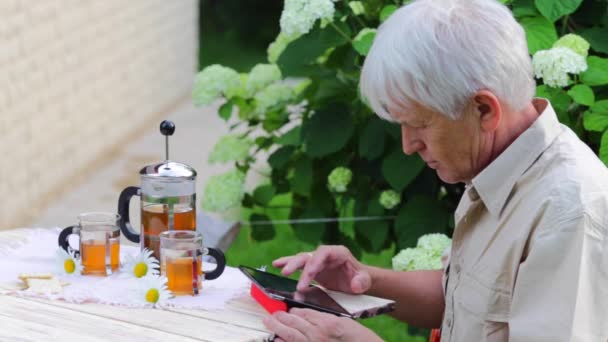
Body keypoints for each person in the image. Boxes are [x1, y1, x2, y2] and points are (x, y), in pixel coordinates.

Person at [262, 0, 608, 341]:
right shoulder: (501, 166)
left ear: (484, 109)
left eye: (418, 125)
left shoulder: (569, 213)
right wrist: (364, 279)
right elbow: (464, 299)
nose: (408, 146)